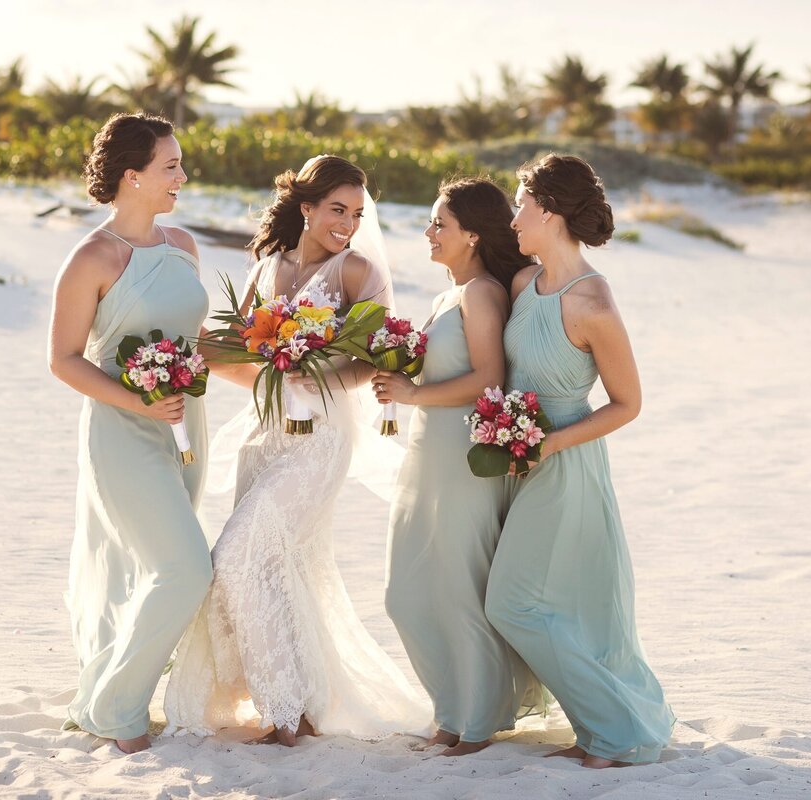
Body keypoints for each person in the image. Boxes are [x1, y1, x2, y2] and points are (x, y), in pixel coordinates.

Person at [165, 155, 430, 746]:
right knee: (278, 570)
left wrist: (319, 371)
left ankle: (290, 715)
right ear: (305, 208)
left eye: (357, 213)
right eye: (337, 210)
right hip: (267, 437)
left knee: (239, 554)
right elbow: (250, 365)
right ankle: (293, 701)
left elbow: (377, 357)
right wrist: (212, 357)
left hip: (322, 441)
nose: (347, 223)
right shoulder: (265, 269)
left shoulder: (359, 272)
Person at [485, 154, 675, 767]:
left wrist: (549, 444)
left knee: (511, 603)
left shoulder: (592, 300)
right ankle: (597, 728)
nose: (514, 218)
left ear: (550, 211)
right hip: (516, 460)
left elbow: (628, 404)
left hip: (565, 465)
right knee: (558, 600)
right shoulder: (522, 285)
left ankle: (618, 730)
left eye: (520, 205)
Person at [47, 113, 211, 754]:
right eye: (170, 166)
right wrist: (137, 405)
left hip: (186, 425)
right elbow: (63, 359)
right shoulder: (93, 257)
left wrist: (282, 356)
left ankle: (113, 690)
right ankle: (115, 709)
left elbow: (197, 342)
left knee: (154, 568)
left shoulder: (184, 247)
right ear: (131, 176)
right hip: (122, 429)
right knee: (184, 568)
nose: (182, 176)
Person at [373, 178, 545, 755]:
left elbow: (488, 380)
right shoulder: (451, 294)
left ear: (471, 235)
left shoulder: (481, 294)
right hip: (427, 451)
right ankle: (456, 710)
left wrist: (411, 393)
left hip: (463, 457)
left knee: (457, 589)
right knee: (407, 591)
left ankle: (472, 721)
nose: (429, 232)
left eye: (439, 224)